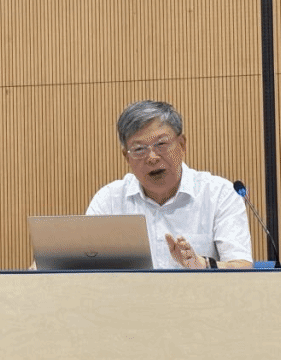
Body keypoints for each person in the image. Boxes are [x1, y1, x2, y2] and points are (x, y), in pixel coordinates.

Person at [87, 100, 252, 269]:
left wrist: (202, 265)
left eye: (161, 144)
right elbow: (86, 267)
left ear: (182, 145)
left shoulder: (219, 194)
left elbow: (242, 267)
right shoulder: (109, 200)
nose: (152, 157)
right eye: (139, 149)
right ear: (127, 157)